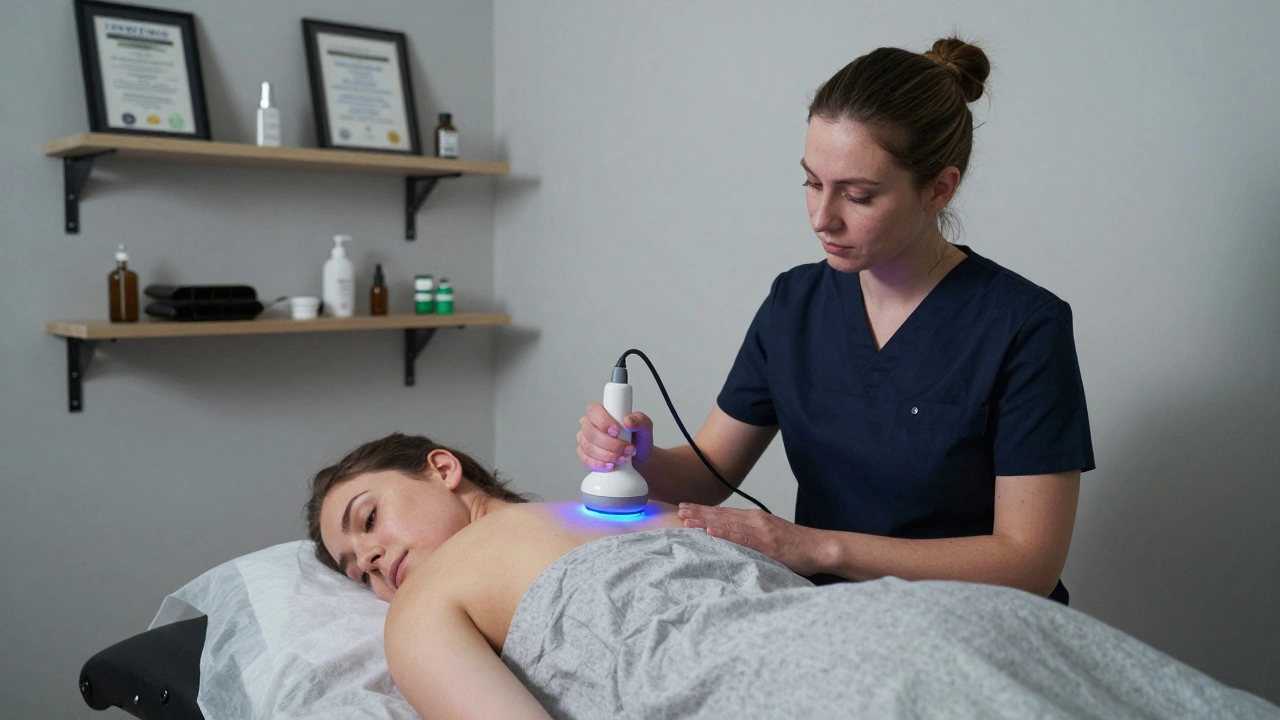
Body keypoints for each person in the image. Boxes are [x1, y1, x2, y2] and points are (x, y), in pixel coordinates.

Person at [577, 37, 1093, 603]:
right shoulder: (794, 304)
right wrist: (638, 456)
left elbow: (1028, 563)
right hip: (832, 624)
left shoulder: (1023, 327)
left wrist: (817, 548)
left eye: (859, 196)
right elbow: (706, 475)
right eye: (812, 183)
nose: (823, 219)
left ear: (939, 189)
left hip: (976, 626)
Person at [306, 433, 1275, 720]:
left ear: (441, 465)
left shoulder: (611, 504)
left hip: (903, 623)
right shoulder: (427, 606)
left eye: (367, 519)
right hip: (824, 673)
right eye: (356, 568)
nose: (374, 562)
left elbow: (768, 570)